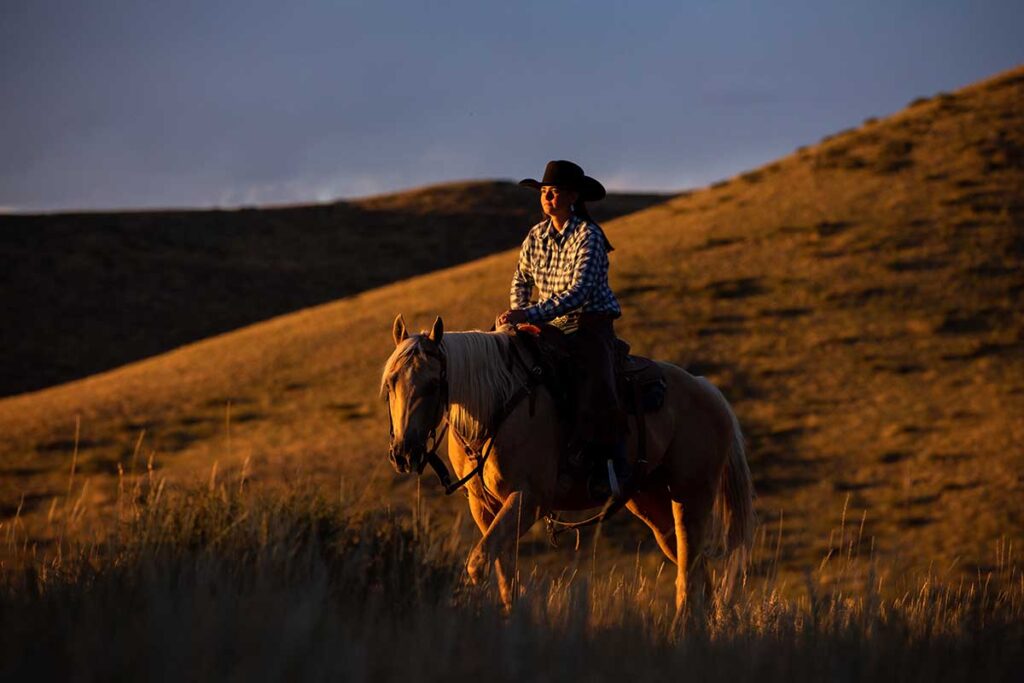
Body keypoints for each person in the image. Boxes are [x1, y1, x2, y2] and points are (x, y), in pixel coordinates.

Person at [496, 160, 630, 498]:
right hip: (548, 323)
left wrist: (530, 312)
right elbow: (521, 279)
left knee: (593, 380)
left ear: (572, 196)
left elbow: (579, 292)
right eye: (543, 192)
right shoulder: (536, 235)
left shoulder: (590, 236)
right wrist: (517, 311)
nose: (547, 198)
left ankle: (609, 464)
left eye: (554, 192)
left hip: (589, 323)